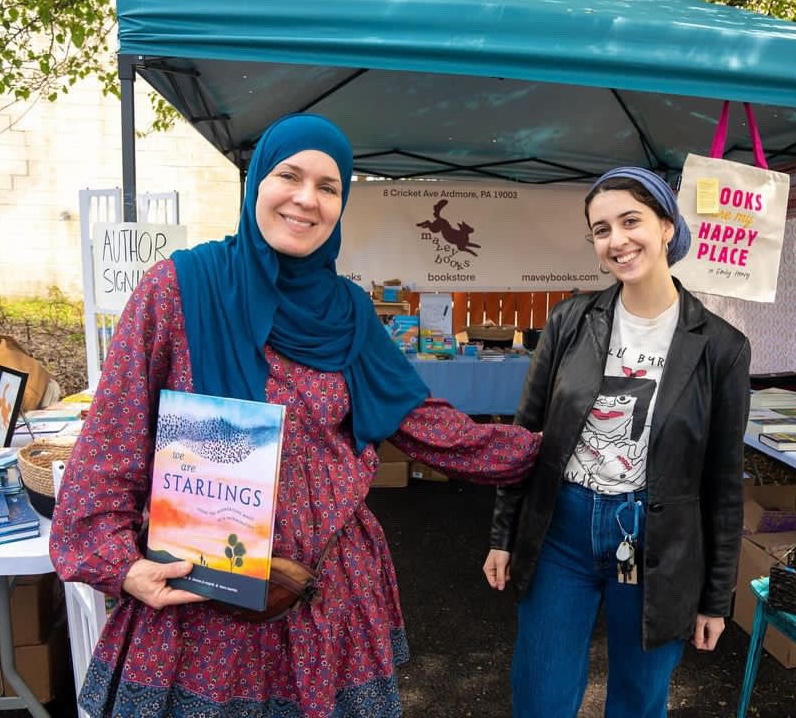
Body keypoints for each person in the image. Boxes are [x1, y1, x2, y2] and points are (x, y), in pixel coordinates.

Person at [49, 113, 542, 718]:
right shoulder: (178, 289)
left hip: (325, 592)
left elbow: (424, 422)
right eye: (290, 175)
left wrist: (547, 450)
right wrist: (118, 565)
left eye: (329, 187)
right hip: (204, 602)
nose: (307, 199)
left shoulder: (350, 312)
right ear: (258, 180)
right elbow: (113, 438)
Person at [483, 167, 751, 718]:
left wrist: (716, 597)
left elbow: (724, 482)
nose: (617, 241)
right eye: (601, 230)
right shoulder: (572, 321)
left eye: (630, 221)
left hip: (658, 537)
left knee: (638, 698)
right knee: (541, 695)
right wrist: (503, 534)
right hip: (563, 529)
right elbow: (523, 438)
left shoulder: (721, 347)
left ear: (667, 226)